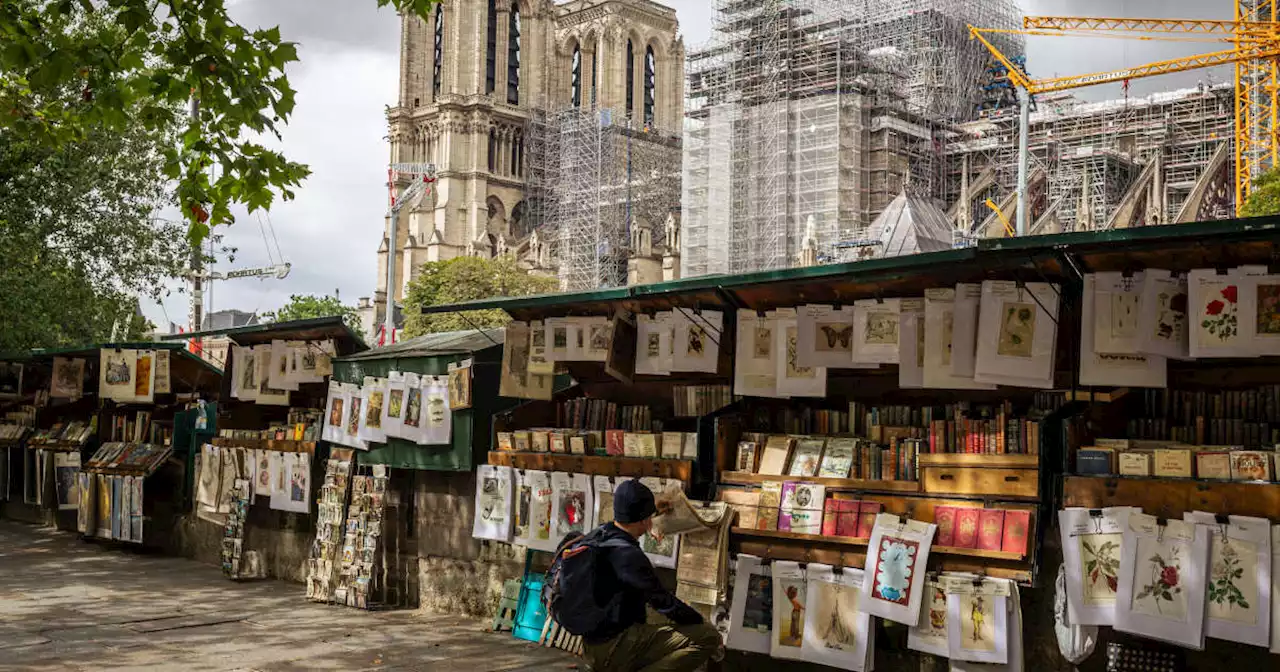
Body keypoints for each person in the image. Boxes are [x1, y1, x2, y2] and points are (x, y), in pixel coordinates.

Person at [578, 479, 723, 672]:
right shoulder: (629, 556)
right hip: (615, 647)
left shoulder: (600, 535)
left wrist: (650, 509)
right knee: (708, 637)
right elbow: (665, 604)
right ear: (645, 520)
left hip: (591, 645)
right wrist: (701, 621)